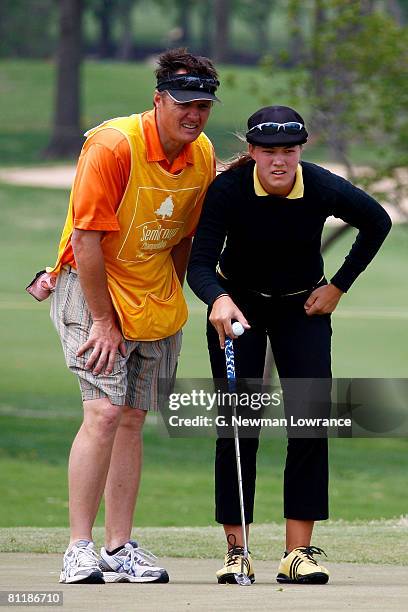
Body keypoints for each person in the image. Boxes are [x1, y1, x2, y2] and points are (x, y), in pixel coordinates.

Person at [187, 105, 392, 584]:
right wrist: (217, 299)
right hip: (238, 310)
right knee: (239, 427)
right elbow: (199, 263)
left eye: (289, 151)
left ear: (301, 150)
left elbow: (377, 221)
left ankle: (297, 553)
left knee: (309, 421)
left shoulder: (319, 184)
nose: (279, 161)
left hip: (304, 310)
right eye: (269, 151)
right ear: (253, 151)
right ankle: (237, 551)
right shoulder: (229, 190)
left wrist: (339, 285)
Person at [43, 48, 219, 584]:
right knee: (101, 412)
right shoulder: (113, 145)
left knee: (133, 420)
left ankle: (119, 548)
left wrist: (176, 295)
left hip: (154, 297)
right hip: (91, 289)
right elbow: (86, 238)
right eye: (184, 103)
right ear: (159, 100)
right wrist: (102, 320)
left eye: (204, 105)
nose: (193, 114)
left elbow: (187, 238)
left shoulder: (202, 153)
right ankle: (79, 547)